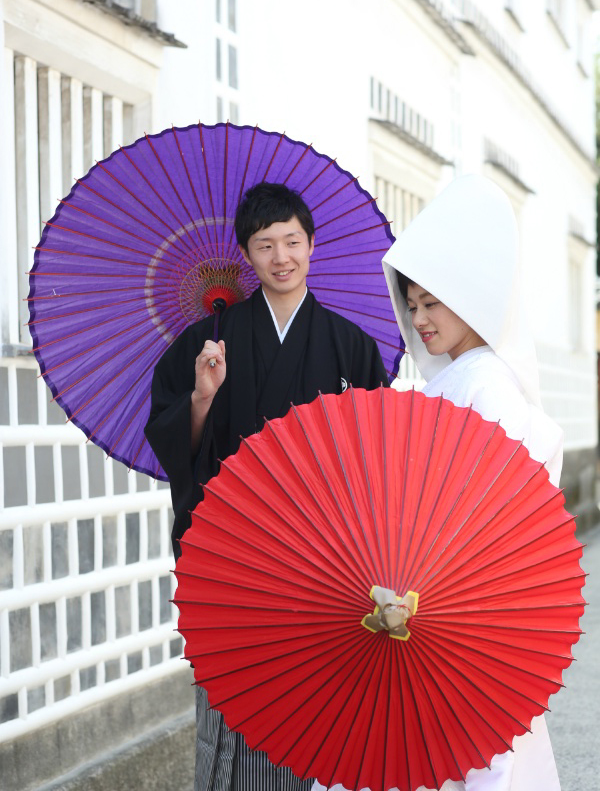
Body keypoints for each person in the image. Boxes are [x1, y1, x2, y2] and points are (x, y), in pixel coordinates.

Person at [145, 181, 389, 791]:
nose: (282, 257)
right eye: (265, 244)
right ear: (247, 255)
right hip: (231, 555)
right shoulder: (208, 343)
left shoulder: (351, 346)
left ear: (311, 245)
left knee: (312, 712)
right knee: (233, 706)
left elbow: (377, 459)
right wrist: (202, 397)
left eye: (292, 241)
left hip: (322, 560)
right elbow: (175, 442)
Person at [378, 174, 562, 791]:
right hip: (441, 601)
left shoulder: (485, 385)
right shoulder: (458, 380)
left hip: (464, 608)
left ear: (469, 298)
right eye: (412, 304)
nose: (418, 318)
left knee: (472, 754)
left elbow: (487, 516)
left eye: (432, 302)